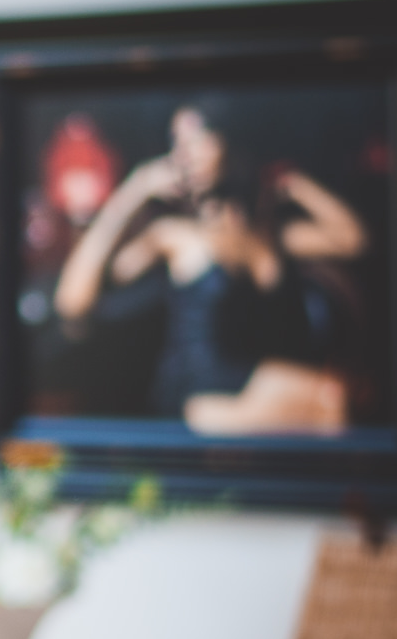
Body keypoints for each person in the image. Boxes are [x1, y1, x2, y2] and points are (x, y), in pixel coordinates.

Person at [52, 102, 366, 434]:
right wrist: (134, 190)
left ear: (229, 141)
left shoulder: (269, 234)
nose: (185, 152)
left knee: (335, 400)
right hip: (199, 392)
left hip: (251, 380)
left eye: (199, 136)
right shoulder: (171, 234)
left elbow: (352, 239)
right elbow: (71, 302)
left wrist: (294, 181)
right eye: (176, 141)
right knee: (330, 402)